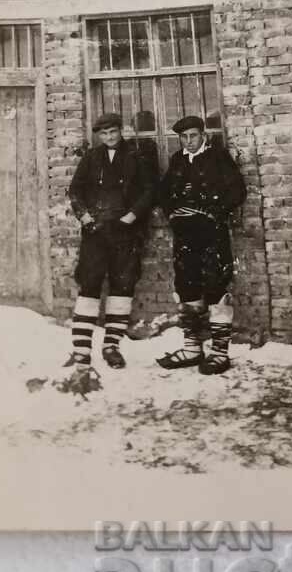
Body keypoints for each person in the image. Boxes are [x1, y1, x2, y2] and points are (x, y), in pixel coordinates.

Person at [65, 112, 155, 388]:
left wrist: (132, 216)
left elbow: (151, 191)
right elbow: (75, 191)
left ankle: (111, 346)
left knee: (122, 285)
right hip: (96, 231)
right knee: (90, 284)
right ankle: (81, 349)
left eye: (113, 132)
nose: (109, 138)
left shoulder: (137, 156)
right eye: (103, 134)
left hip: (125, 231)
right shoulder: (92, 157)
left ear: (121, 130)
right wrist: (85, 217)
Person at [157, 116, 246, 375]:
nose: (189, 141)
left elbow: (237, 191)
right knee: (187, 286)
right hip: (185, 235)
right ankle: (192, 348)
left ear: (203, 135)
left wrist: (213, 211)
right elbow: (163, 193)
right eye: (183, 137)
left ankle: (219, 353)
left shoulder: (218, 157)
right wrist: (172, 213)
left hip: (212, 234)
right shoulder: (177, 160)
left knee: (216, 285)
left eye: (193, 136)